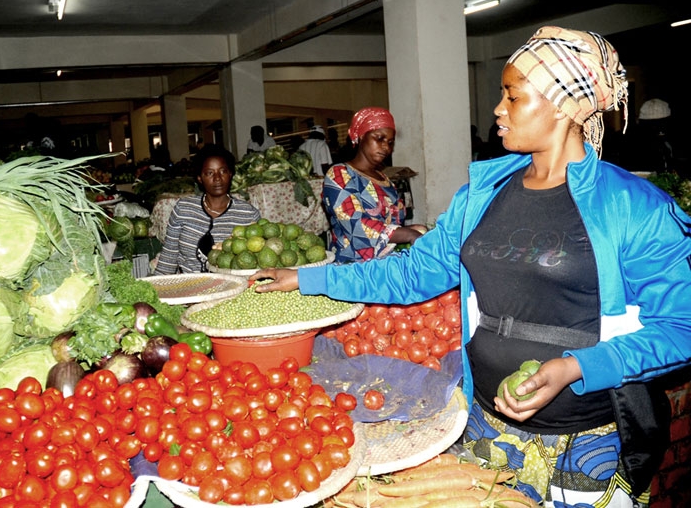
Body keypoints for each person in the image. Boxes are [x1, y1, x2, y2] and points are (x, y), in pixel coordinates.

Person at [251, 27, 691, 507]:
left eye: (513, 96)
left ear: (566, 106)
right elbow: (412, 272)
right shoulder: (482, 196)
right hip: (484, 423)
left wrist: (575, 367)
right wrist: (308, 277)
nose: (498, 110)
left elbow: (681, 328)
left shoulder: (634, 207)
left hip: (585, 439)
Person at [322, 107, 425, 262]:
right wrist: (408, 234)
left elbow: (390, 224)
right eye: (379, 138)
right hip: (352, 268)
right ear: (361, 135)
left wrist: (415, 229)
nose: (386, 147)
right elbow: (355, 226)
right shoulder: (340, 174)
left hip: (386, 265)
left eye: (390, 142)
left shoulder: (385, 180)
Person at [154, 144, 260, 274]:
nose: (217, 179)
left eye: (223, 171)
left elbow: (257, 263)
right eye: (209, 173)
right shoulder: (183, 209)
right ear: (199, 178)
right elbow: (168, 258)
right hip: (188, 288)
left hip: (231, 288)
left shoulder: (248, 214)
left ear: (231, 173)